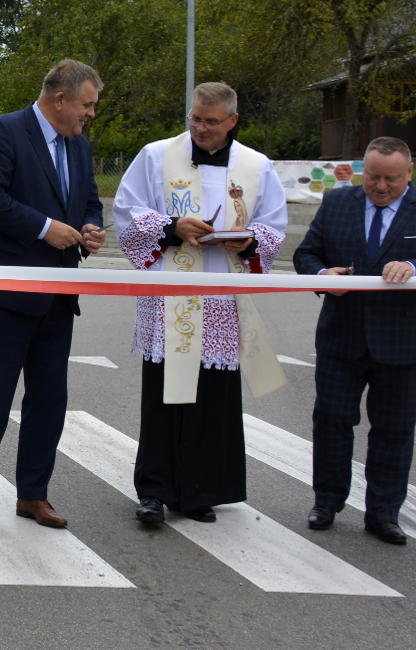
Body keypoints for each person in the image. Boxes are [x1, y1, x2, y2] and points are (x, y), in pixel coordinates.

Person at [113, 83, 289, 524]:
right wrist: (173, 226)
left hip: (222, 299)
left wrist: (249, 241)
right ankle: (154, 490)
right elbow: (127, 211)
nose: (200, 128)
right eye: (195, 118)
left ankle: (199, 491)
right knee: (164, 395)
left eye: (211, 122)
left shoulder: (256, 166)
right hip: (172, 294)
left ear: (232, 121)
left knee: (212, 398)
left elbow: (274, 227)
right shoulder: (157, 156)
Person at [0, 59, 106, 533]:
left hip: (58, 294)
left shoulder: (79, 147)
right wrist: (44, 228)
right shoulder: (4, 131)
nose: (90, 114)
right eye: (87, 104)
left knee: (49, 398)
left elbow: (89, 198)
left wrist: (90, 227)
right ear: (60, 99)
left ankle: (33, 494)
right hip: (4, 294)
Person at [295, 136, 416, 546]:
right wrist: (322, 277)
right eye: (373, 177)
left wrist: (413, 265)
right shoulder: (337, 204)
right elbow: (306, 255)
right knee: (332, 422)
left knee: (394, 431)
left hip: (401, 344)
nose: (381, 186)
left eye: (391, 178)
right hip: (341, 337)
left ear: (409, 173)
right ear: (363, 172)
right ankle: (327, 502)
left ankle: (384, 513)